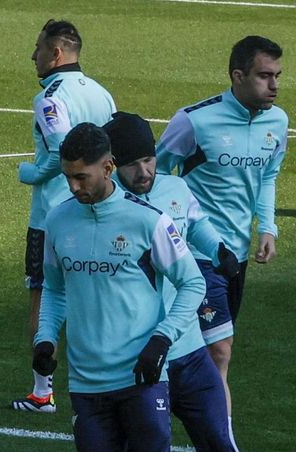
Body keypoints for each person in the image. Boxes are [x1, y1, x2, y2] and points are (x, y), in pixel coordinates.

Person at [33, 124, 205, 452]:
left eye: (81, 177)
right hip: (86, 384)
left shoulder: (148, 221)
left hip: (141, 379)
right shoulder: (57, 221)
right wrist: (45, 340)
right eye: (67, 177)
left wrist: (162, 338)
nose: (72, 186)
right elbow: (55, 290)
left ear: (108, 167)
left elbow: (193, 282)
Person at [156, 35, 285, 422]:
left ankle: (176, 406)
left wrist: (269, 228)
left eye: (278, 75)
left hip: (235, 255)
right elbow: (155, 174)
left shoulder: (277, 122)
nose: (275, 85)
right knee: (220, 349)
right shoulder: (194, 120)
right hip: (195, 254)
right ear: (238, 75)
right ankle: (217, 437)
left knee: (204, 350)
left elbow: (268, 176)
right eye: (265, 76)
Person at [106, 112, 238, 452]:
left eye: (149, 160)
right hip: (140, 353)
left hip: (188, 349)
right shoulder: (105, 208)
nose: (145, 172)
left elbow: (196, 223)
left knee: (218, 441)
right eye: (132, 164)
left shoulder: (176, 187)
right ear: (112, 164)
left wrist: (218, 249)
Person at [13, 19, 115, 414]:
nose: (32, 55)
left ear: (56, 53)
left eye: (38, 47)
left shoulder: (50, 98)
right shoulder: (103, 94)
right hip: (97, 210)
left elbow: (61, 154)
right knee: (96, 294)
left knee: (44, 294)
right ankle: (106, 382)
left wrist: (30, 173)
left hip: (53, 214)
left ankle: (42, 391)